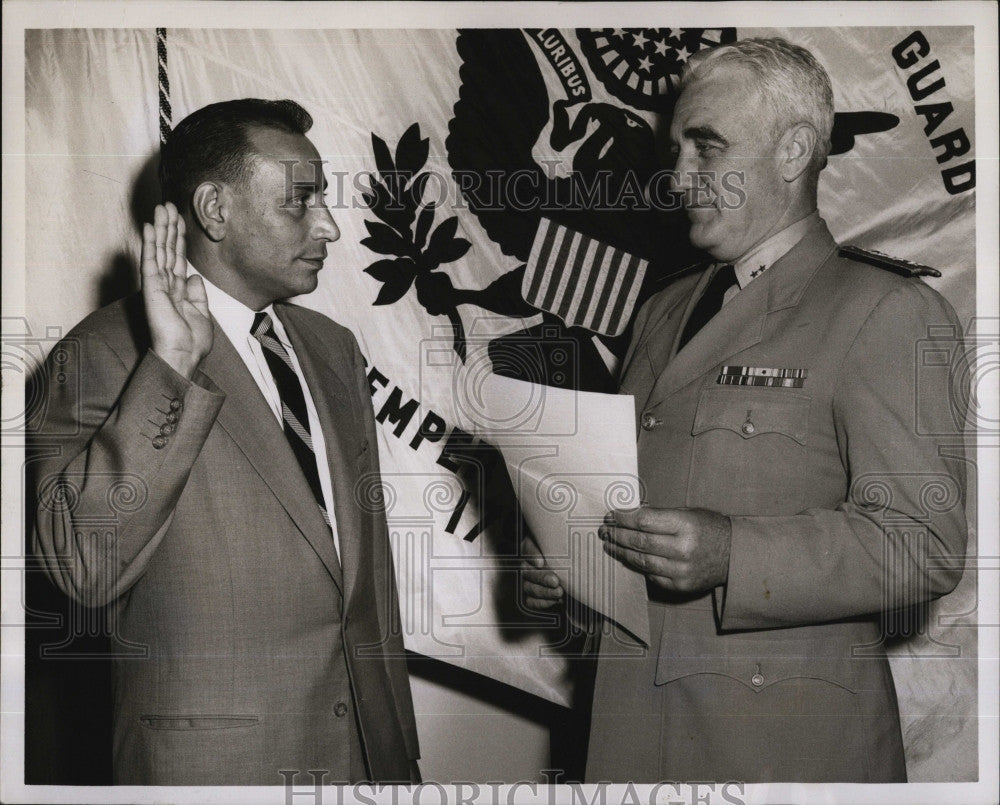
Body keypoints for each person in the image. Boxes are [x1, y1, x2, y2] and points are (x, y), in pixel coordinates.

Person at [522, 37, 968, 783]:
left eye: (706, 147)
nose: (678, 176)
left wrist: (734, 552)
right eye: (677, 149)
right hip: (628, 737)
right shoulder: (663, 309)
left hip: (779, 752)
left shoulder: (885, 309)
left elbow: (922, 544)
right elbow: (633, 514)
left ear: (794, 151)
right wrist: (574, 573)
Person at [30, 99, 419, 785]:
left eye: (323, 199)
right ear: (214, 209)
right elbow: (83, 566)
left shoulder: (334, 350)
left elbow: (363, 581)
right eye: (300, 202)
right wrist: (172, 365)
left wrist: (395, 751)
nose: (328, 225)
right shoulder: (102, 352)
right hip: (216, 772)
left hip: (369, 760)